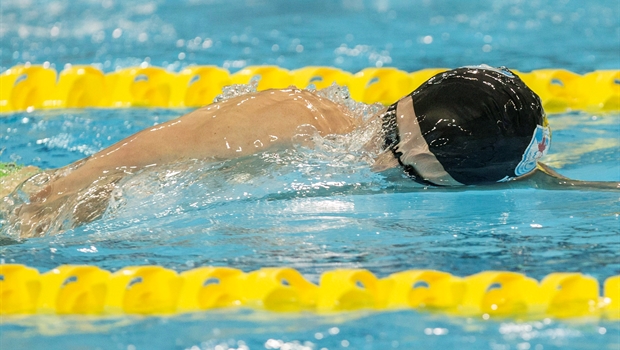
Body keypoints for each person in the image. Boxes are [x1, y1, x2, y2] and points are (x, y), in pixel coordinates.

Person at [1, 65, 617, 238]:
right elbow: (95, 173)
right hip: (28, 202)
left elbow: (530, 176)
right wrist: (38, 210)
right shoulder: (294, 119)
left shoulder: (392, 159)